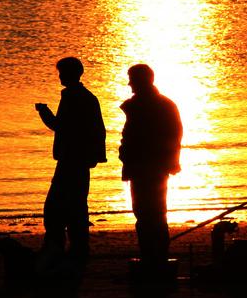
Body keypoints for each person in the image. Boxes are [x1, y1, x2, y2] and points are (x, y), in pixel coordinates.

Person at [35, 56, 107, 269]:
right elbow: (97, 130)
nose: (59, 76)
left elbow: (61, 126)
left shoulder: (74, 97)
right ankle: (77, 247)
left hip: (71, 159)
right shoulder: (86, 97)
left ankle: (59, 247)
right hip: (79, 160)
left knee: (56, 207)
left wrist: (44, 112)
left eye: (61, 72)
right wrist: (94, 156)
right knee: (76, 205)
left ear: (69, 74)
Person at [119, 64, 183, 266]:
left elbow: (172, 135)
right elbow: (175, 135)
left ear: (142, 80)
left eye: (132, 79)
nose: (129, 83)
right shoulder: (160, 104)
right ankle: (154, 254)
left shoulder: (150, 105)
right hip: (150, 166)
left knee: (149, 212)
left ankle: (153, 255)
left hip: (147, 167)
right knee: (149, 212)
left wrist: (168, 161)